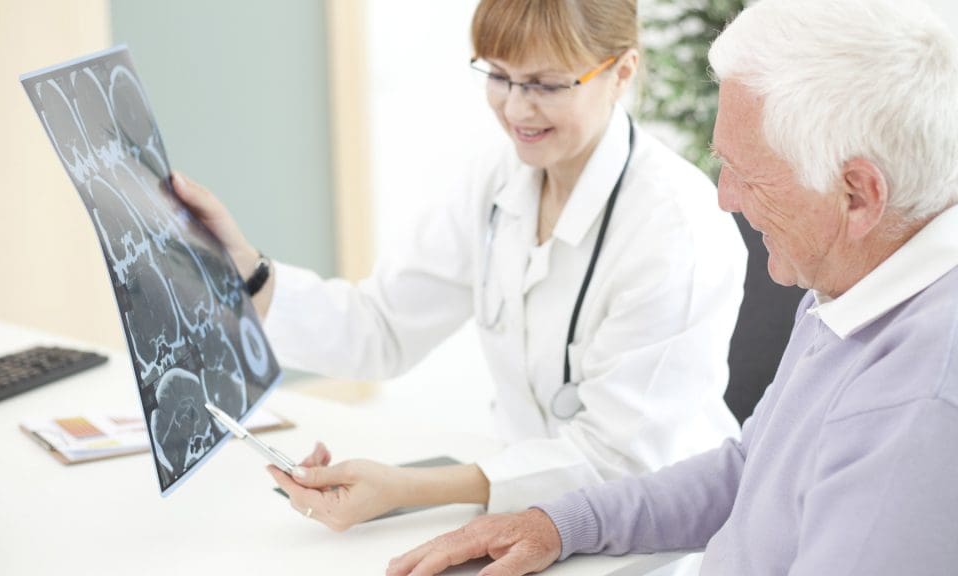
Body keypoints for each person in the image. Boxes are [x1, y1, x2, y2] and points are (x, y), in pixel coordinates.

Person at [385, 0, 958, 574]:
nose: (724, 198)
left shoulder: (921, 407)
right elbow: (747, 470)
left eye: (747, 174)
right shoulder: (851, 285)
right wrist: (558, 523)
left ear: (858, 195)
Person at [172, 0, 745, 532]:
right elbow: (381, 329)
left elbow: (620, 462)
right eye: (499, 75)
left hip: (653, 539)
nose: (517, 109)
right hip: (528, 522)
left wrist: (406, 488)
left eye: (546, 84)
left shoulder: (675, 226)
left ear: (622, 72)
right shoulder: (499, 181)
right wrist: (244, 265)